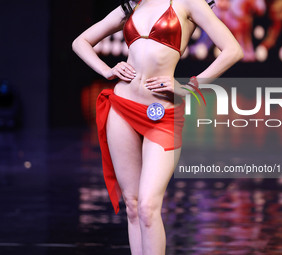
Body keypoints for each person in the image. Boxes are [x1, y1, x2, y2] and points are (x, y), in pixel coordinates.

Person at [72, 0, 243, 254]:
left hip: (163, 114)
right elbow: (80, 42)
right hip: (122, 107)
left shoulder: (189, 3)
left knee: (148, 207)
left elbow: (232, 50)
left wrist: (190, 87)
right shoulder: (132, 5)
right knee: (132, 204)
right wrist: (107, 70)